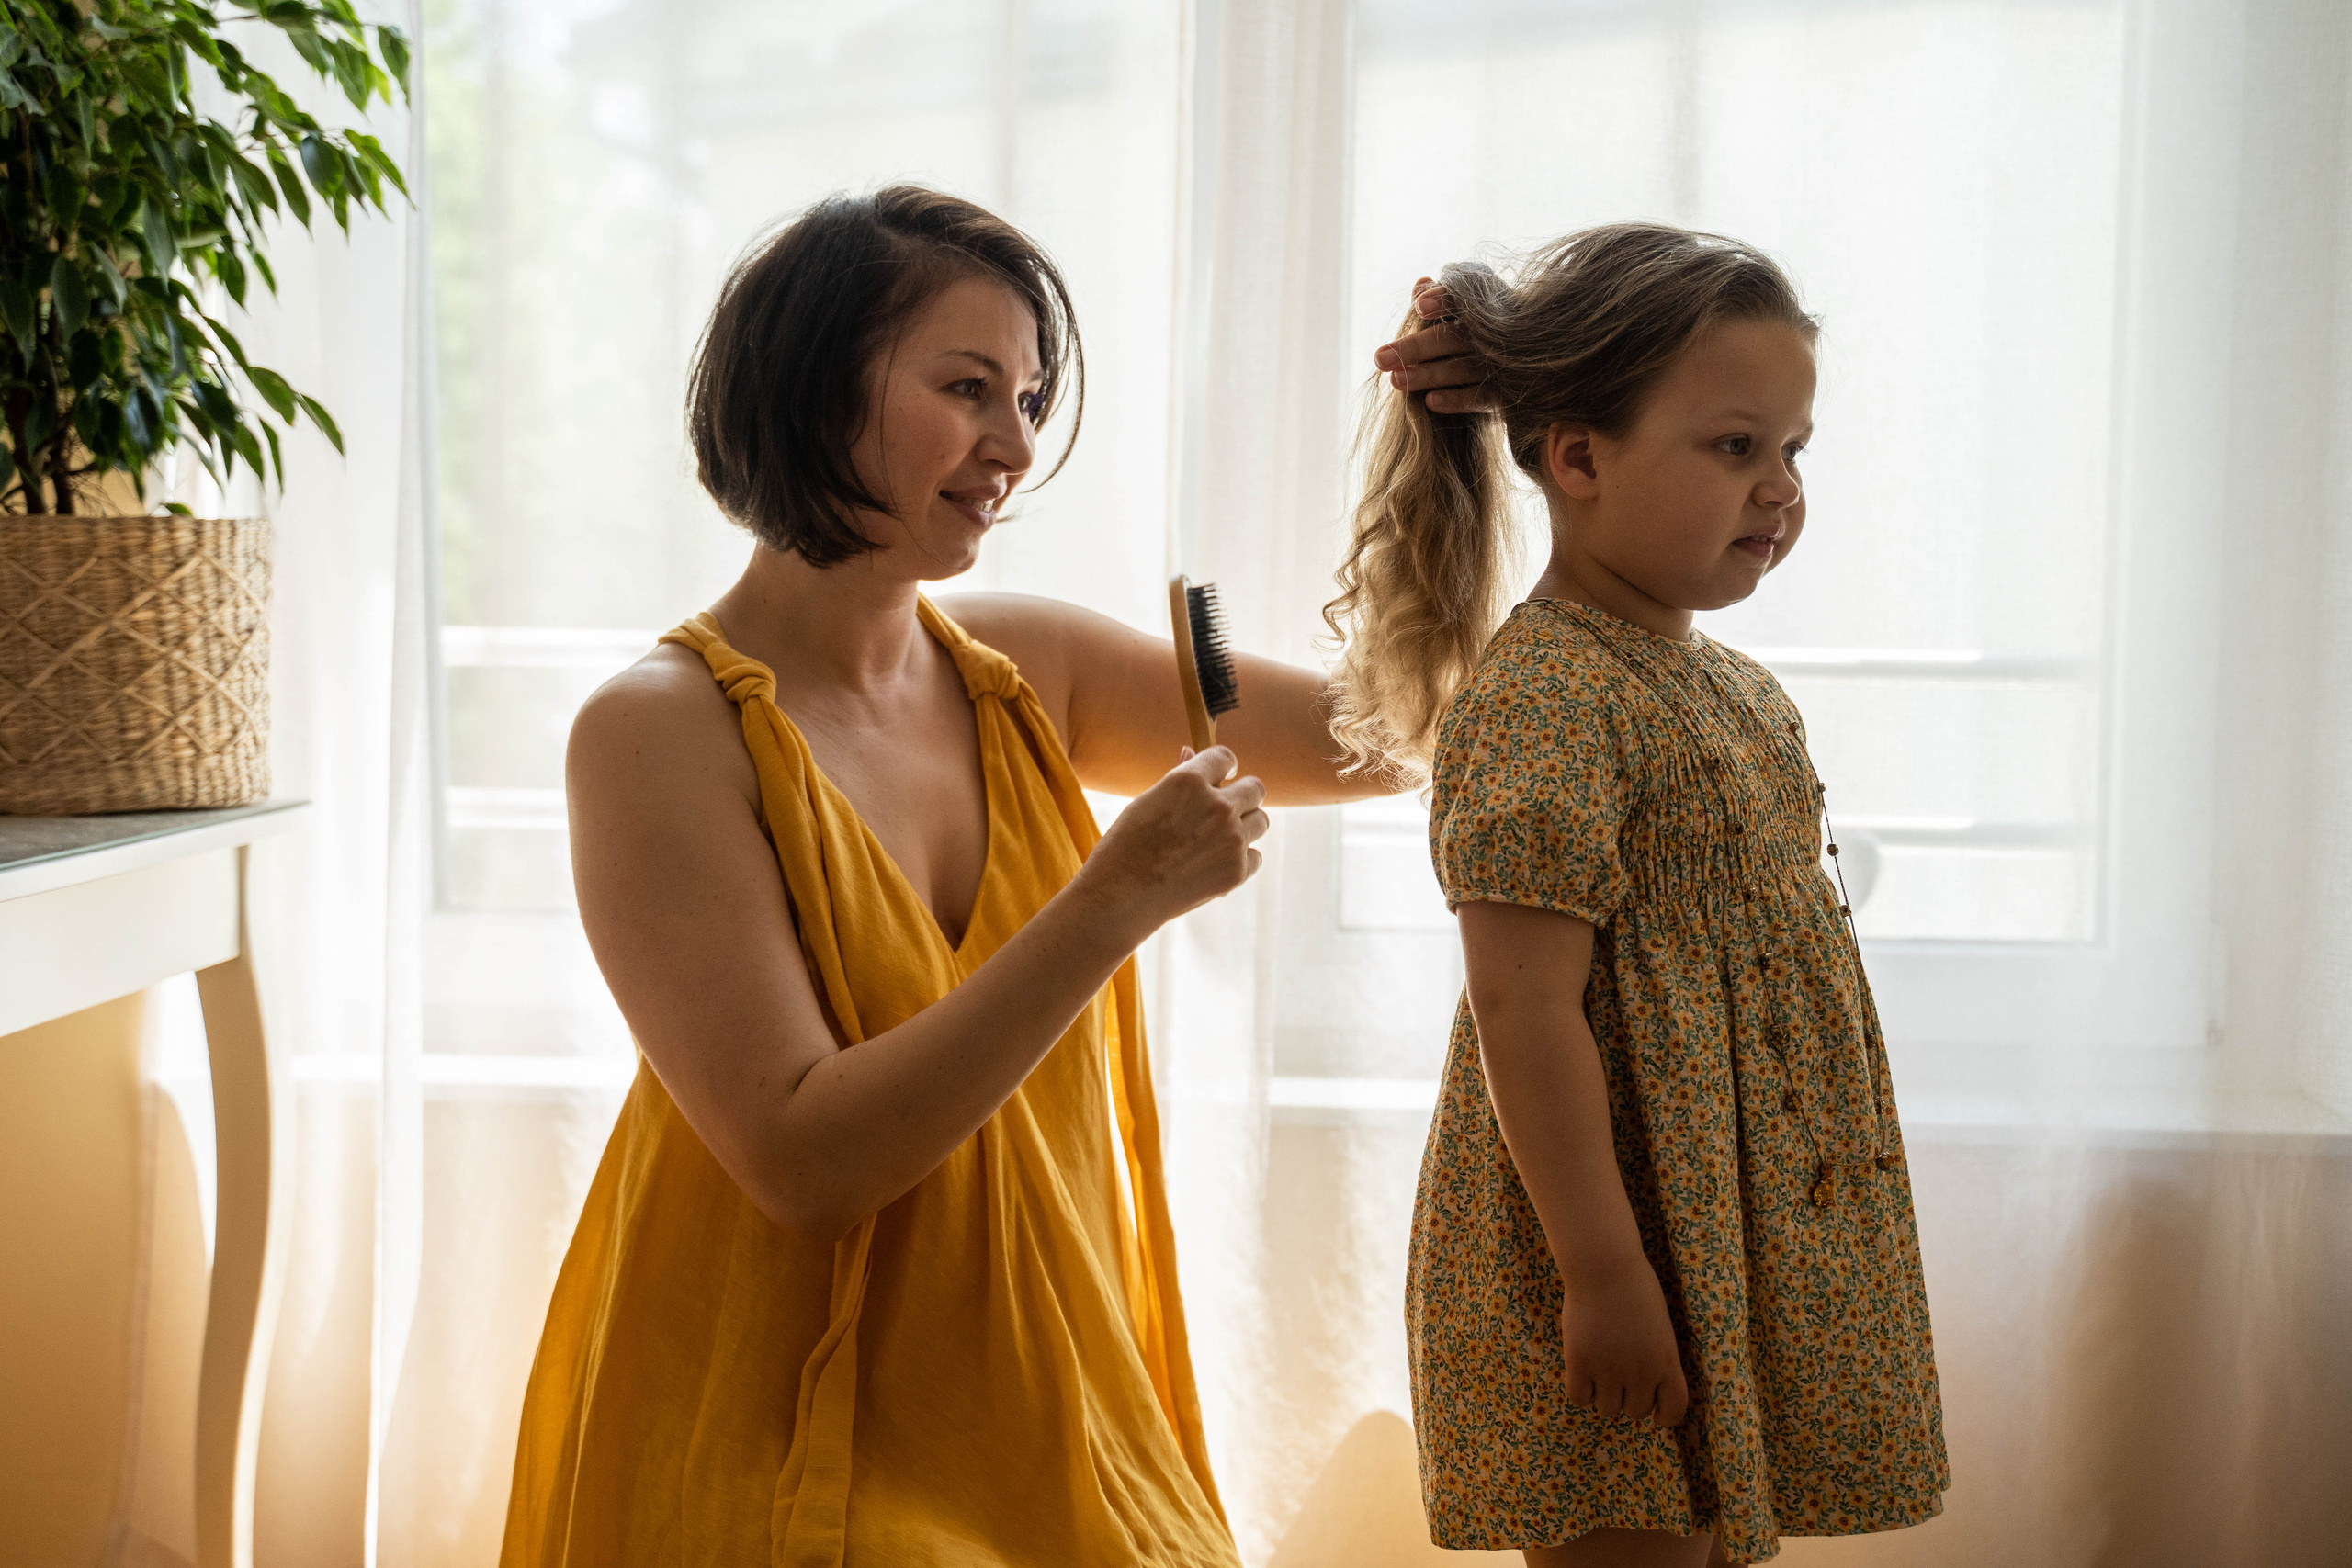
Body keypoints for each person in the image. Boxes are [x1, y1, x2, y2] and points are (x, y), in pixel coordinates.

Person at [498, 186, 1403, 1565]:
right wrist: (1113, 901)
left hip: (1043, 1401)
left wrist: (1448, 442)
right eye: (969, 387)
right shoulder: (655, 733)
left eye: (1028, 397)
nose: (1016, 446)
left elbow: (1386, 734)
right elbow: (805, 1161)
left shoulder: (1032, 665)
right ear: (813, 390)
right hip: (775, 1424)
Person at [1329, 227, 1949, 1567]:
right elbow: (1523, 1008)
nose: (1779, 486)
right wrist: (1606, 1276)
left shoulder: (1725, 682)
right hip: (1611, 1239)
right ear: (1580, 457)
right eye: (1735, 447)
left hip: (1729, 1224)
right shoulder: (1552, 693)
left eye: (1794, 449)